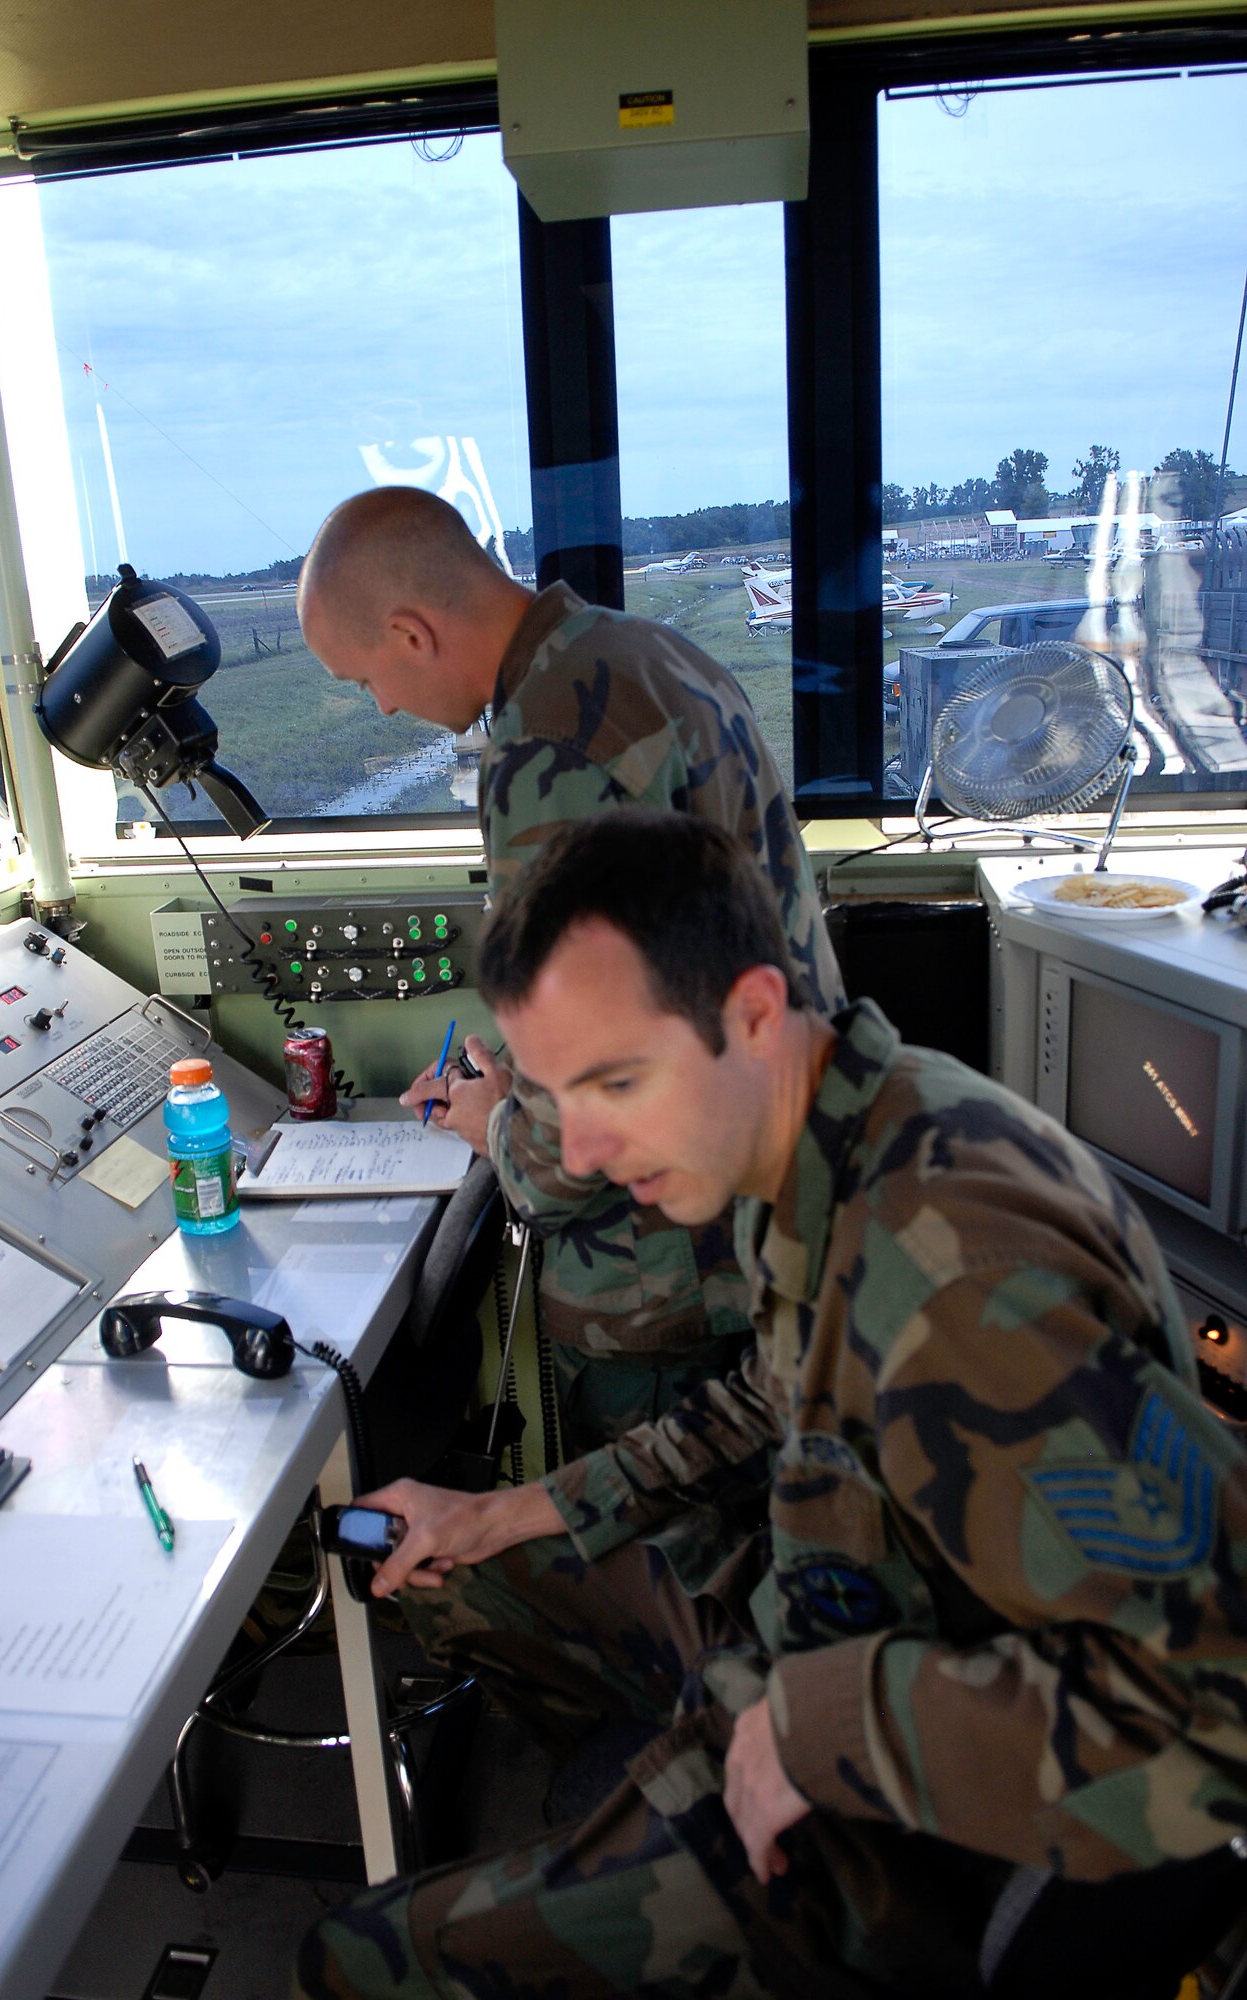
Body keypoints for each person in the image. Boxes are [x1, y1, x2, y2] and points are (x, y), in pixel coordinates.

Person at [296, 810, 1247, 2000]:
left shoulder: (956, 1279)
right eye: (550, 1093)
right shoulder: (821, 1130)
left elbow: (1207, 1705)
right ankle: (649, 1825)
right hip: (824, 1617)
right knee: (454, 1570)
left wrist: (816, 1723)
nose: (578, 1152)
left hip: (934, 1798)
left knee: (361, 1964)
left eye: (615, 1082)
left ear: (749, 1012)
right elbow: (771, 1397)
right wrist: (512, 1511)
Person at [298, 488, 843, 1450]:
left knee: (664, 1577)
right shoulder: (645, 654)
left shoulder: (547, 745)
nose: (380, 704)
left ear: (410, 632)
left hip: (671, 1273)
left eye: (363, 679)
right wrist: (512, 1074)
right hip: (774, 1199)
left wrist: (495, 1125)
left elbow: (561, 1154)